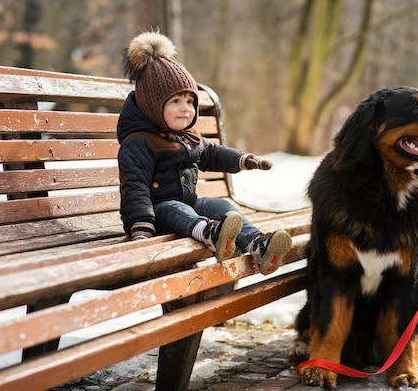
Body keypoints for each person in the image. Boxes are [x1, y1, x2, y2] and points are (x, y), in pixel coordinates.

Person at [117, 31, 291, 275]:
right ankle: (210, 234)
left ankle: (257, 244)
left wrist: (244, 160)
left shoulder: (186, 137)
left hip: (189, 205)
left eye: (190, 102)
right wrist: (140, 228)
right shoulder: (139, 142)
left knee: (219, 205)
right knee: (178, 209)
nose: (186, 109)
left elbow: (212, 153)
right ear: (153, 106)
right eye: (176, 101)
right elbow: (135, 187)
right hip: (154, 214)